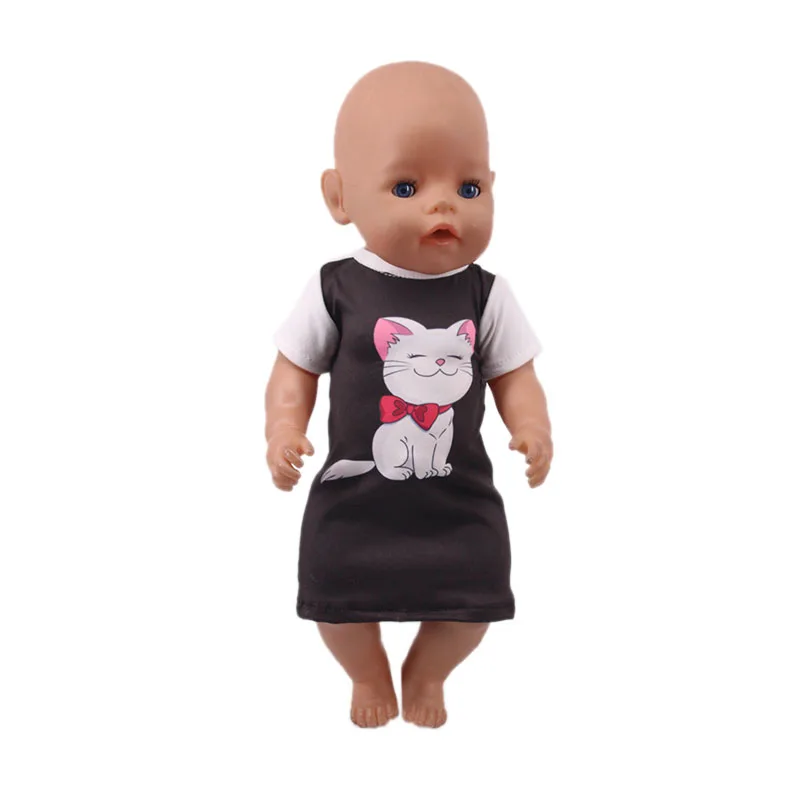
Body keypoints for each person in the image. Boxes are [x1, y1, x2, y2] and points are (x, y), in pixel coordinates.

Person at [264, 61, 553, 728]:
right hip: (354, 503)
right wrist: (283, 429)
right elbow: (293, 370)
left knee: (473, 606)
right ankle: (367, 672)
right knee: (337, 606)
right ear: (340, 198)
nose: (444, 204)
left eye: (469, 186)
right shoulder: (336, 287)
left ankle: (428, 670)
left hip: (458, 503)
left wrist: (533, 427)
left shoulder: (485, 295)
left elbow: (516, 376)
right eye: (406, 186)